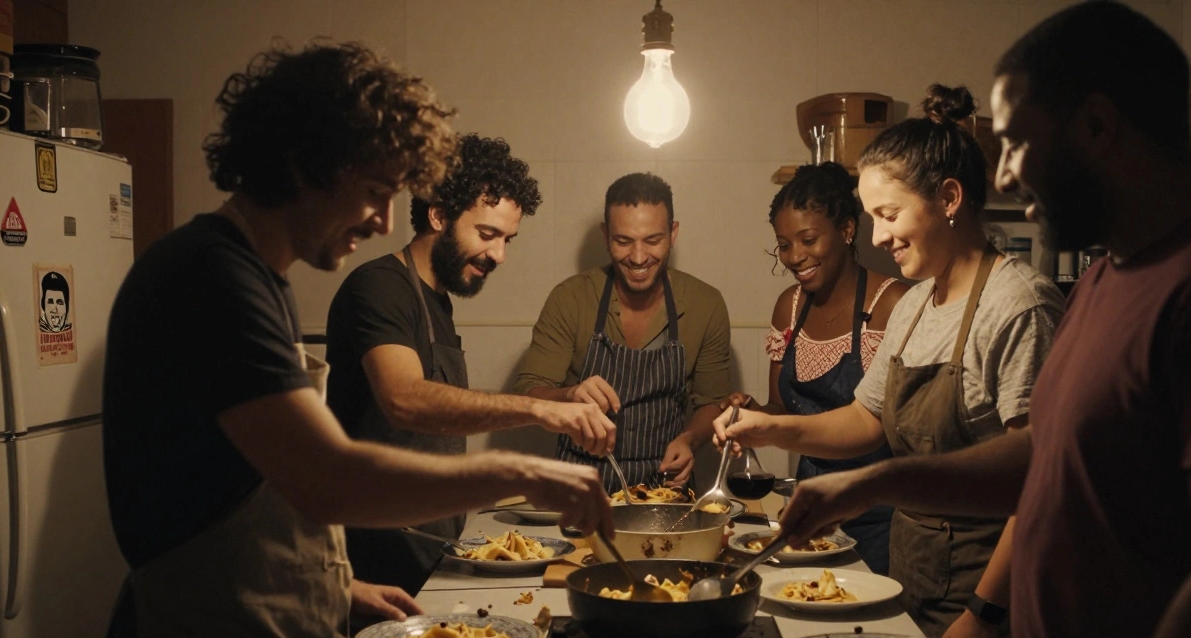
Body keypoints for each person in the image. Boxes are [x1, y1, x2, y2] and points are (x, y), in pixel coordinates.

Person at [92, 42, 613, 638]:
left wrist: (338, 587)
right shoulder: (210, 277)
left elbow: (247, 483)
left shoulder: (258, 280)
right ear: (306, 163)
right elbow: (327, 478)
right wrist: (527, 473)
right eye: (375, 192)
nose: (384, 222)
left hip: (260, 629)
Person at [773, 3, 1191, 638]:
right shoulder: (1103, 279)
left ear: (1097, 125)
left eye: (1018, 143)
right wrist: (870, 484)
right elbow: (1040, 461)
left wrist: (986, 613)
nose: (1002, 175)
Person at [716, 85, 1066, 638]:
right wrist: (766, 430)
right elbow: (864, 420)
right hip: (912, 577)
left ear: (949, 199)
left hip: (986, 592)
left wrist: (986, 615)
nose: (877, 237)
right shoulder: (915, 304)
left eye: (889, 214)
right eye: (872, 216)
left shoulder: (1019, 305)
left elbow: (1041, 480)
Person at [325, 133, 616, 597]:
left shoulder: (437, 300)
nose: (499, 255)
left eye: (508, 239)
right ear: (438, 214)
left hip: (431, 546)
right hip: (377, 560)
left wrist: (563, 397)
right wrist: (540, 411)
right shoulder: (379, 288)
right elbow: (404, 398)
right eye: (487, 234)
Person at [723, 161, 907, 574]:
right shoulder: (788, 307)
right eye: (784, 244)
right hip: (810, 515)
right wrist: (749, 413)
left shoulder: (892, 304)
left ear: (846, 230)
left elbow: (883, 424)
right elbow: (782, 412)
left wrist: (770, 426)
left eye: (808, 239)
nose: (795, 257)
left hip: (880, 521)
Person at [514, 172, 732, 493]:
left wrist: (689, 440)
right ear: (606, 236)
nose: (639, 257)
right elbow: (528, 394)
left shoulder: (706, 304)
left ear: (673, 234)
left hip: (665, 487)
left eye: (653, 240)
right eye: (623, 241)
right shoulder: (570, 298)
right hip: (578, 486)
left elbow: (712, 403)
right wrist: (567, 396)